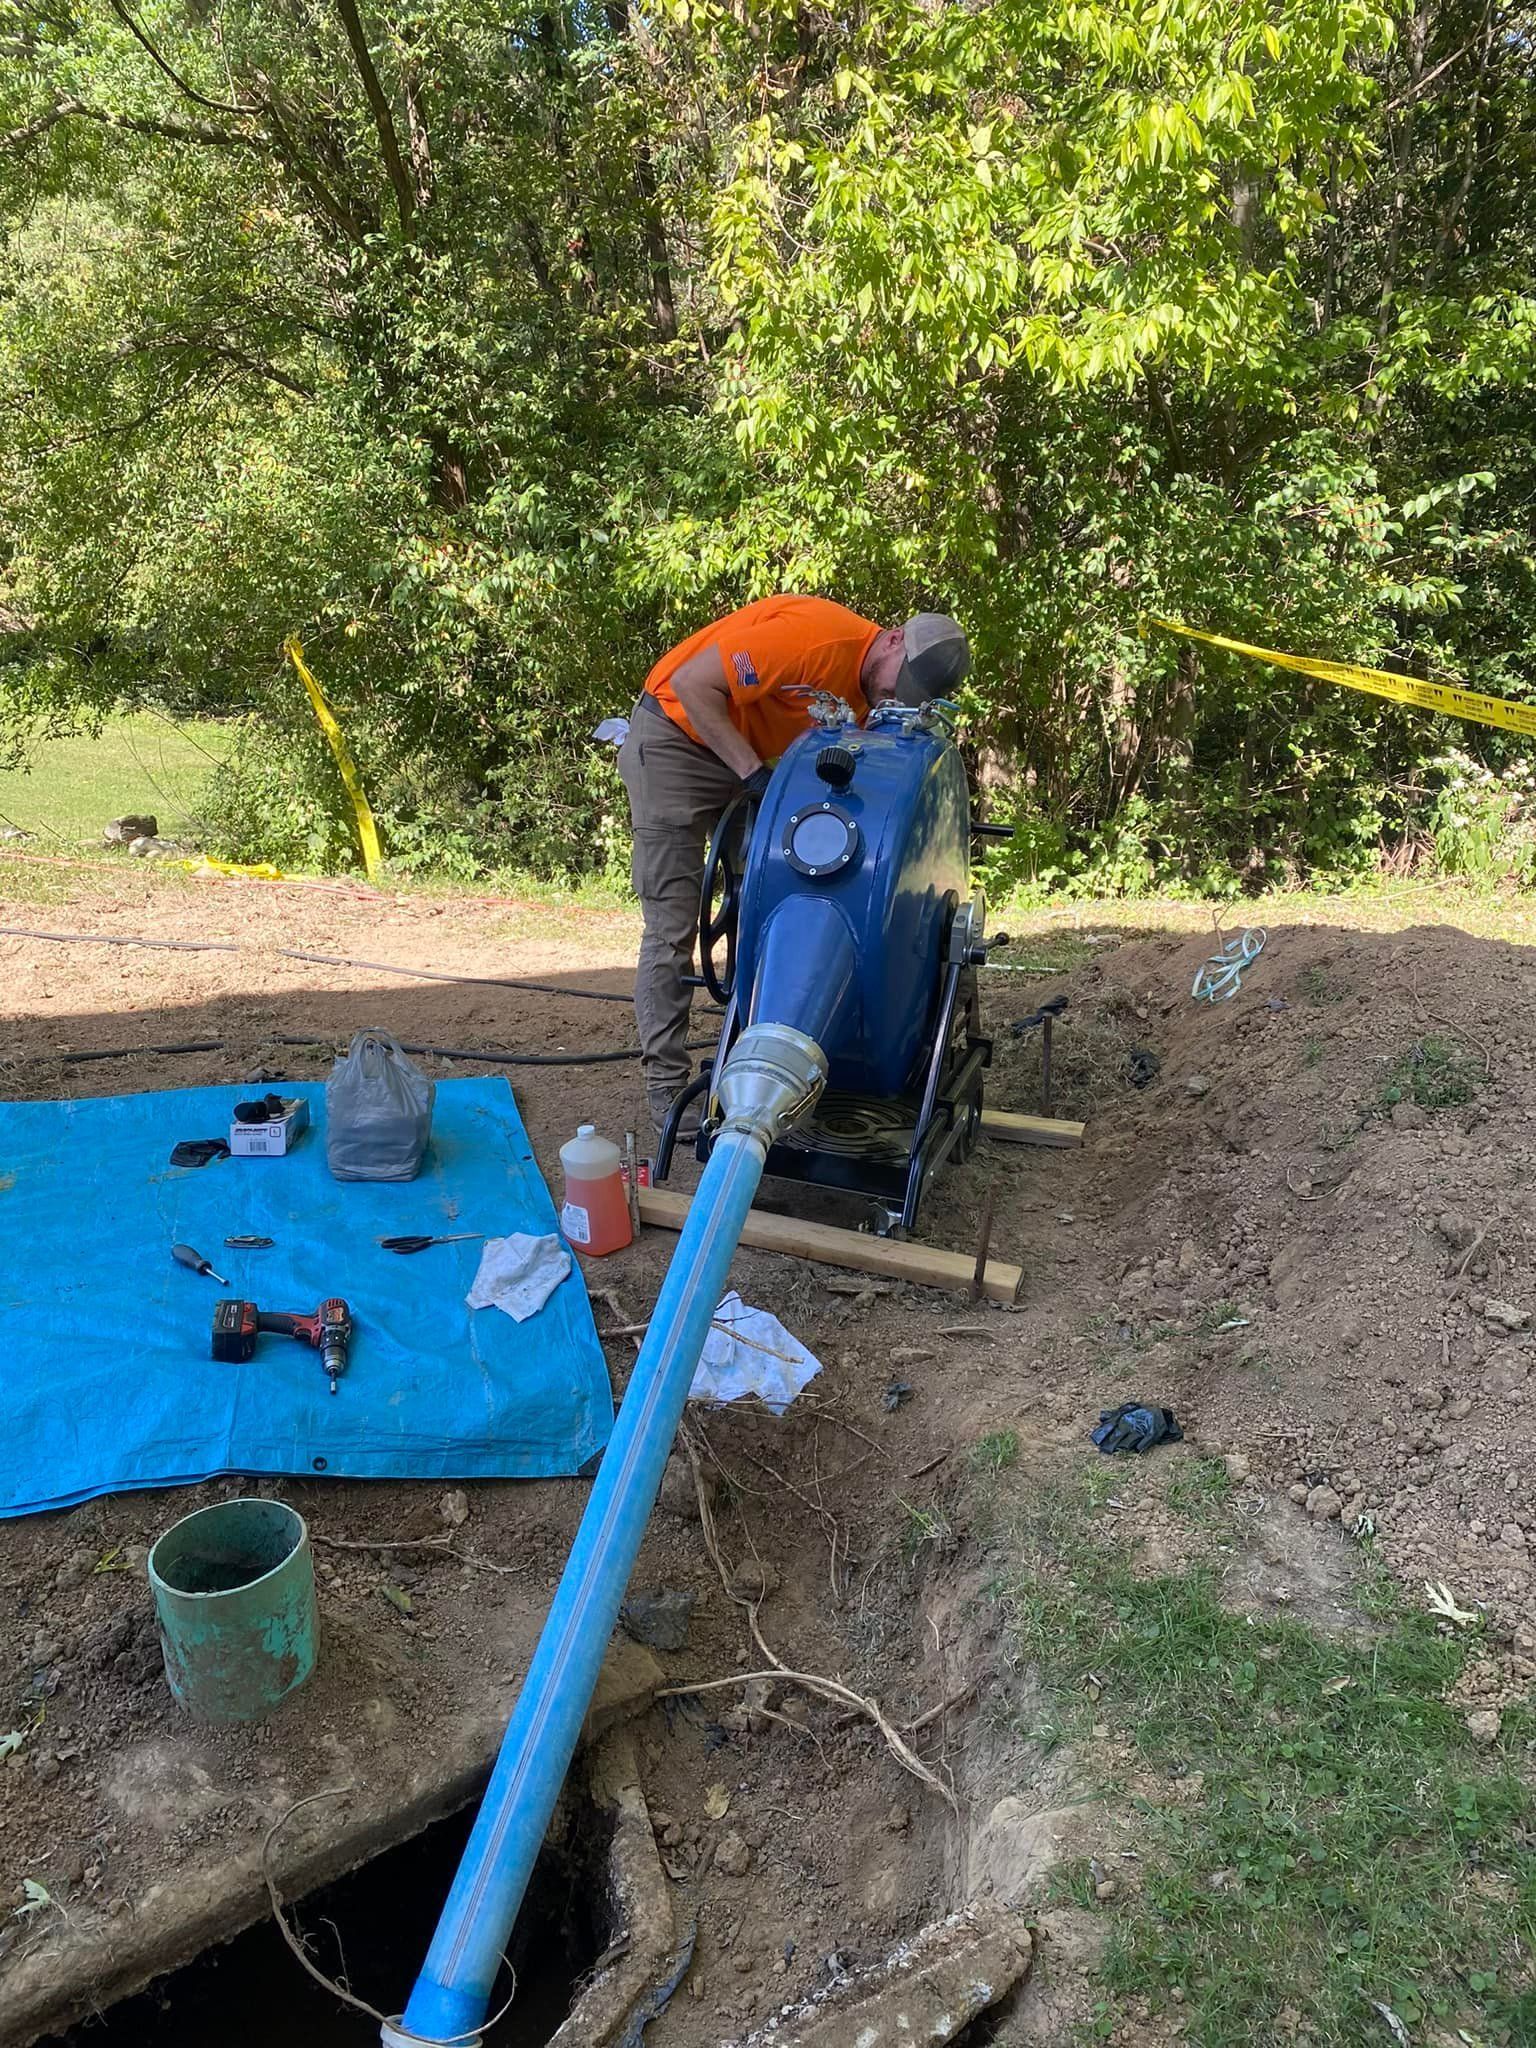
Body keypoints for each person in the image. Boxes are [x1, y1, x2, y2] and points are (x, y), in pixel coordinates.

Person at [617, 594, 971, 1134]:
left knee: (765, 902)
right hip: (676, 741)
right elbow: (692, 686)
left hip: (744, 757)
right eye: (899, 684)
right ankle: (668, 1091)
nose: (892, 698)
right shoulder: (814, 638)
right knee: (672, 926)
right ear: (895, 638)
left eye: (909, 697)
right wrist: (755, 776)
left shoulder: (871, 695)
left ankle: (764, 1064)